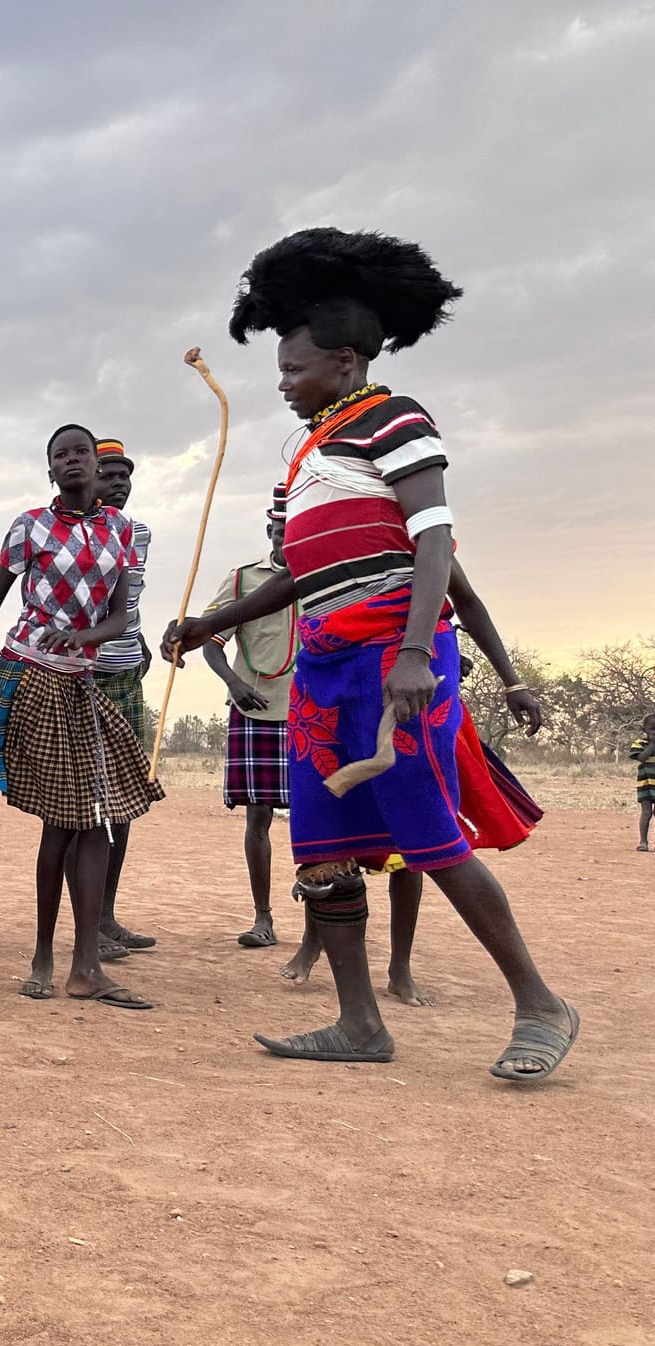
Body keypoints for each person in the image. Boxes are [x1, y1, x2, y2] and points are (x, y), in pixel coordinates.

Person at [165, 226, 576, 1080]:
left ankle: (541, 1004)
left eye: (294, 368)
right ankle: (359, 1024)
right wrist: (213, 622)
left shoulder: (396, 419)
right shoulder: (308, 455)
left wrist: (417, 652)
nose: (283, 382)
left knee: (427, 834)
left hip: (393, 654)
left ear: (345, 361)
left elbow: (435, 544)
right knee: (320, 848)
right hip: (323, 665)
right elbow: (298, 574)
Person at [0, 422, 163, 1009]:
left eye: (81, 451)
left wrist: (84, 637)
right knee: (61, 822)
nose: (72, 460)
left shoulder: (121, 530)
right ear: (50, 469)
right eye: (61, 454)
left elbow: (120, 618)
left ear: (95, 464)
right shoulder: (30, 526)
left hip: (83, 680)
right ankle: (44, 957)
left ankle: (85, 966)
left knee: (99, 817)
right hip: (29, 675)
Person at [275, 560, 546, 1004]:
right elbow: (293, 585)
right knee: (328, 845)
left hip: (408, 712)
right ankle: (316, 950)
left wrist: (511, 683)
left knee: (413, 851)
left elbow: (467, 602)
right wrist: (212, 623)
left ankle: (401, 968)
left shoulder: (419, 545)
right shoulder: (325, 561)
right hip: (340, 700)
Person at [202, 504, 296, 949]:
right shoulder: (242, 580)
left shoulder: (324, 576)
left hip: (313, 712)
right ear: (268, 530)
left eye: (294, 530)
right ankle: (264, 918)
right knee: (258, 818)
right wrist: (234, 683)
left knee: (320, 818)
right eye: (279, 531)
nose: (286, 539)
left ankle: (322, 921)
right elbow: (210, 640)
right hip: (256, 708)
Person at [78, 439, 157, 958]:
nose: (118, 483)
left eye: (124, 475)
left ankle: (106, 917)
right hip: (82, 674)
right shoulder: (68, 533)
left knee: (123, 800)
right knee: (83, 805)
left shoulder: (139, 533)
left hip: (126, 673)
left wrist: (140, 640)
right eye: (108, 474)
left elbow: (128, 600)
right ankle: (87, 926)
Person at [635, 713, 655, 852]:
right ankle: (643, 842)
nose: (654, 732)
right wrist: (652, 744)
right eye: (652, 729)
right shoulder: (639, 743)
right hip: (646, 785)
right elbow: (641, 757)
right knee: (646, 813)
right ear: (644, 730)